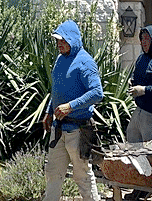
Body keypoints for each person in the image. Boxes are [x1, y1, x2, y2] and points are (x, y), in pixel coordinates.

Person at [44, 20, 103, 201]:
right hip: (59, 128)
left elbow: (97, 93)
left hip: (78, 130)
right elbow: (57, 88)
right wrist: (48, 111)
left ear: (73, 39)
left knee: (83, 176)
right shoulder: (60, 60)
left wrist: (70, 106)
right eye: (57, 40)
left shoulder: (85, 62)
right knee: (53, 172)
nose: (59, 44)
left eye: (63, 40)